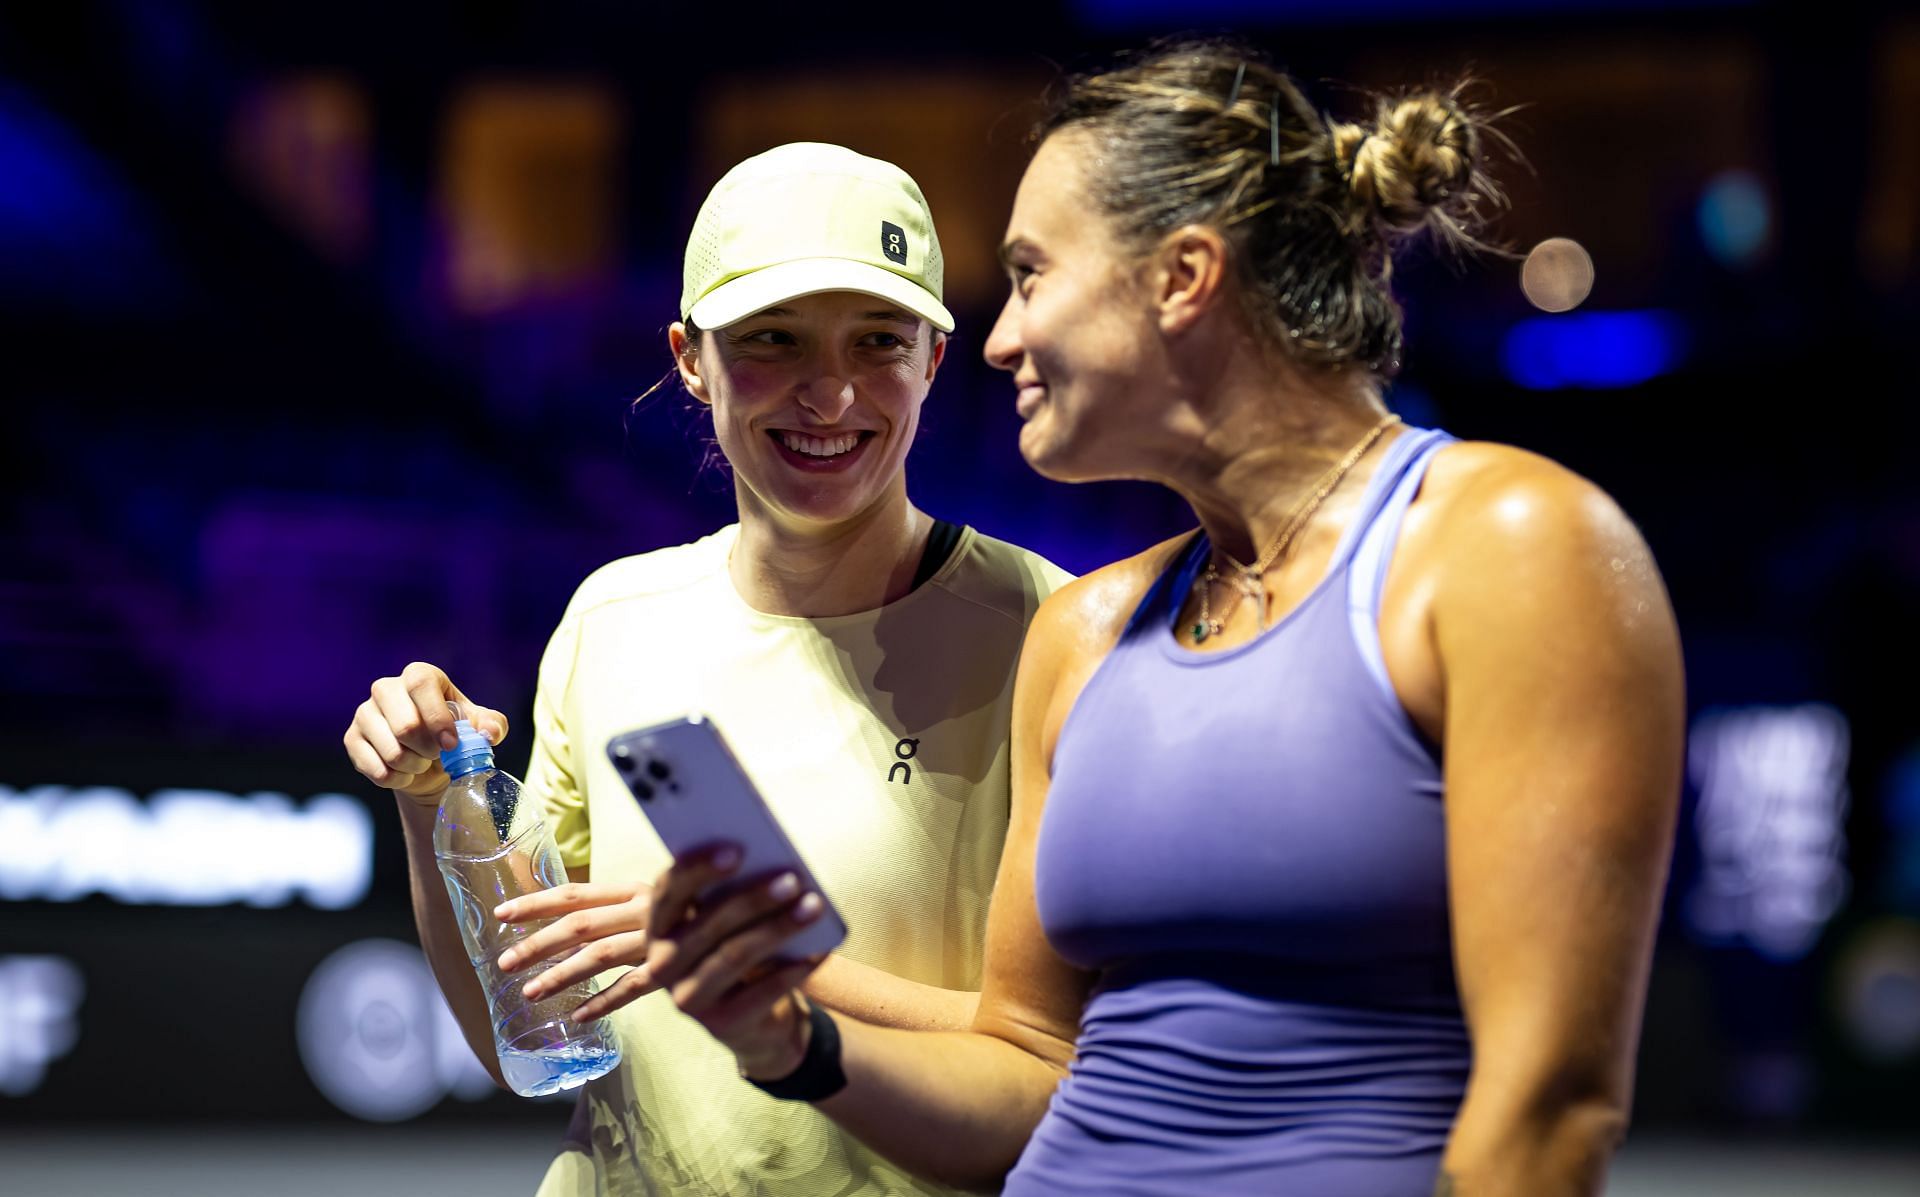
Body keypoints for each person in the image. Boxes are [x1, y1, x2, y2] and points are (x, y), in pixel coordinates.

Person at [629, 41, 1686, 1197]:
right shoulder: (1081, 633)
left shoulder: (1513, 549)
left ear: (1182, 277)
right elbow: (1027, 1077)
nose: (997, 339)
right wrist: (793, 1044)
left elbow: (1546, 1121)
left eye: (1032, 275)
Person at [341, 142, 1071, 1196]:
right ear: (690, 357)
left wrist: (747, 966)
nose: (831, 395)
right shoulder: (613, 619)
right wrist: (428, 802)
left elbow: (1064, 1061)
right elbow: (531, 1039)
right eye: (773, 341)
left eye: (878, 342)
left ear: (933, 362)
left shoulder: (1049, 627)